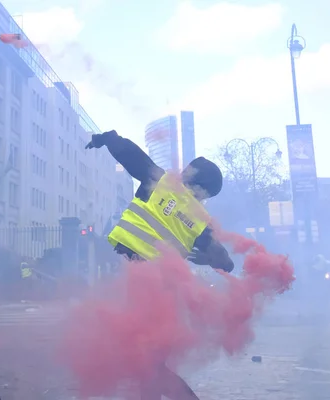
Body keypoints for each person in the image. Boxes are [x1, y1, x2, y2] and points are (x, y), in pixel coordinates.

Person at [85, 129, 234, 400]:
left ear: (190, 175)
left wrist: (104, 138)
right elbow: (225, 260)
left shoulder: (161, 183)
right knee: (146, 361)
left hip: (142, 283)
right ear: (206, 193)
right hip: (165, 293)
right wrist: (211, 260)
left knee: (147, 362)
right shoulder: (201, 221)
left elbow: (128, 153)